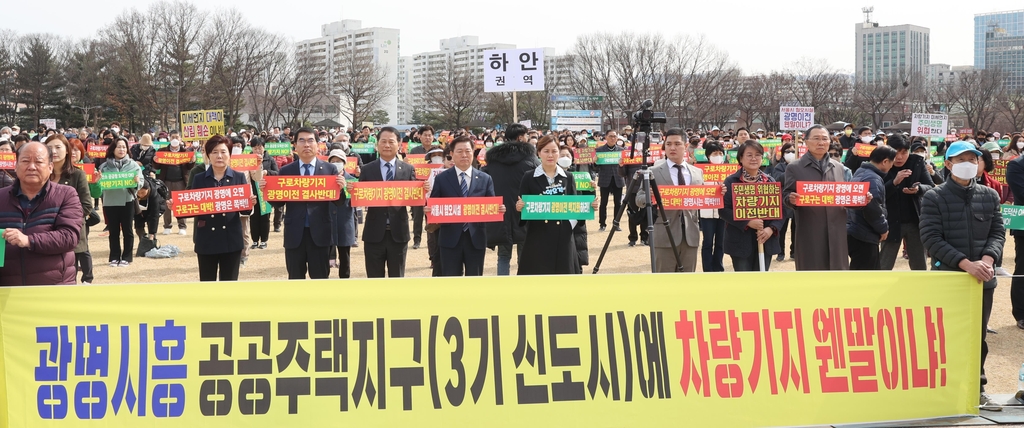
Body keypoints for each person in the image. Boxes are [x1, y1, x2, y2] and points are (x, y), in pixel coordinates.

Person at [919, 141, 1005, 412]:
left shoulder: (989, 195)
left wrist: (988, 259)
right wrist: (966, 264)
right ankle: (943, 392)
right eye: (961, 159)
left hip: (983, 281)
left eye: (973, 159)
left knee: (977, 337)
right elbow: (931, 239)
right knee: (944, 337)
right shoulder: (934, 197)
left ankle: (977, 389)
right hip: (949, 278)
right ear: (948, 164)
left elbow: (997, 233)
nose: (969, 164)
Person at [0, 142, 83, 285]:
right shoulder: (1, 197)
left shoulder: (66, 194)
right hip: (8, 290)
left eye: (38, 161)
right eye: (25, 161)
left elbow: (69, 237)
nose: (31, 167)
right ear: (16, 166)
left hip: (54, 288)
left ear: (50, 167)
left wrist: (29, 240)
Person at [176, 136, 256, 281]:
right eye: (214, 152)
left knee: (229, 286)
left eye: (223, 152)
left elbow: (244, 211)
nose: (219, 156)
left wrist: (249, 204)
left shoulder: (238, 177)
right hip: (207, 239)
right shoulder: (199, 178)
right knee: (207, 285)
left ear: (230, 154)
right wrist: (177, 206)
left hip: (231, 239)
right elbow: (193, 207)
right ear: (208, 155)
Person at [272, 127, 348, 280]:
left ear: (318, 145)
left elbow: (339, 202)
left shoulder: (329, 169)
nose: (306, 145)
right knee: (295, 278)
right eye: (302, 141)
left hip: (320, 234)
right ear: (295, 145)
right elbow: (278, 202)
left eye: (310, 140)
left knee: (320, 279)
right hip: (295, 234)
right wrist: (268, 190)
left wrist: (341, 188)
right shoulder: (286, 171)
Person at [515, 136, 598, 275]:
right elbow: (522, 214)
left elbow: (576, 206)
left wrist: (588, 207)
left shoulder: (568, 177)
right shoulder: (529, 177)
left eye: (554, 151)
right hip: (537, 237)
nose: (550, 155)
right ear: (539, 153)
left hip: (564, 238)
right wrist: (519, 207)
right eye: (546, 151)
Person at [351, 127, 426, 278]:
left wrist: (423, 191)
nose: (387, 145)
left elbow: (414, 200)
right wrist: (351, 190)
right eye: (383, 141)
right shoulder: (367, 170)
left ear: (399, 144)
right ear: (376, 144)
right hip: (374, 233)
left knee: (397, 278)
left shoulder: (408, 169)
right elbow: (359, 197)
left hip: (398, 233)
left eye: (391, 142)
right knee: (374, 278)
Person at [429, 136, 504, 276]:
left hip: (475, 238)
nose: (464, 155)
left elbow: (490, 205)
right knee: (451, 281)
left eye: (468, 151)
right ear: (451, 154)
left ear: (473, 152)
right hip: (449, 239)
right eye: (459, 151)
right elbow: (434, 205)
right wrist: (429, 209)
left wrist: (498, 209)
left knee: (474, 282)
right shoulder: (441, 178)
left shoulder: (485, 178)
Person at [784, 125, 851, 271]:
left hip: (837, 230)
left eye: (824, 139)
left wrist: (861, 199)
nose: (821, 142)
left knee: (837, 273)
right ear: (806, 142)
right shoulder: (795, 168)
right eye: (816, 138)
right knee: (811, 271)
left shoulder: (839, 167)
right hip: (810, 228)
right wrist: (791, 199)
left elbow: (845, 196)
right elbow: (786, 195)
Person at [637, 128, 703, 272]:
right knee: (663, 282)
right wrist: (652, 197)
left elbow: (703, 198)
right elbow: (639, 199)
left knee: (687, 282)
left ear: (685, 146)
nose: (672, 148)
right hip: (663, 234)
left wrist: (718, 193)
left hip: (690, 235)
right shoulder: (653, 172)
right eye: (668, 144)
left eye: (677, 144)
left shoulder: (697, 172)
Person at [482, 123, 537, 275]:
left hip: (501, 212)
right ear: (520, 137)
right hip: (525, 212)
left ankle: (502, 287)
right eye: (526, 135)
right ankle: (524, 286)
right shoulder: (531, 160)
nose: (528, 138)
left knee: (503, 256)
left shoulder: (493, 161)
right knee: (524, 255)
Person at [721, 140, 784, 271]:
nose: (754, 158)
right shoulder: (731, 181)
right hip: (740, 240)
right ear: (741, 158)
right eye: (749, 155)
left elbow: (780, 210)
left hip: (765, 239)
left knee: (761, 281)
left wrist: (771, 229)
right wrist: (747, 222)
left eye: (758, 155)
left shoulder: (770, 181)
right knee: (745, 282)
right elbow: (724, 210)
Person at [879, 136, 934, 271]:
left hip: (915, 220)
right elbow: (877, 193)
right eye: (896, 152)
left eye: (904, 152)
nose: (899, 157)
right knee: (884, 264)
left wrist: (918, 189)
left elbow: (931, 186)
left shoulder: (917, 162)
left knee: (919, 265)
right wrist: (894, 182)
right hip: (891, 221)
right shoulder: (882, 163)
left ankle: (919, 290)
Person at [44, 135, 94, 284]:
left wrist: (63, 220)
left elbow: (86, 206)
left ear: (67, 150)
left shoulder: (77, 175)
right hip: (44, 232)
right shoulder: (41, 175)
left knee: (68, 276)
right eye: (50, 147)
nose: (54, 151)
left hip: (70, 231)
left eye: (58, 147)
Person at [847, 145, 896, 270]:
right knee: (866, 275)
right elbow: (872, 208)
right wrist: (883, 229)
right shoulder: (873, 178)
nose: (892, 166)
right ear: (885, 161)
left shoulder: (860, 172)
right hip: (864, 233)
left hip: (854, 229)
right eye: (892, 162)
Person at [98, 138, 144, 267]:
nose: (121, 149)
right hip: (110, 202)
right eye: (119, 147)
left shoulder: (133, 165)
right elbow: (99, 184)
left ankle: (127, 257)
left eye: (124, 147)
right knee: (113, 231)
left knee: (127, 230)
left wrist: (137, 181)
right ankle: (114, 256)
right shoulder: (104, 167)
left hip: (127, 201)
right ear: (113, 149)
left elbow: (141, 182)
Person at [327, 149, 357, 278]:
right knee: (324, 255)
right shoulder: (323, 179)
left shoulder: (352, 180)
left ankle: (345, 280)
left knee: (345, 256)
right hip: (327, 221)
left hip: (344, 221)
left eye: (338, 161)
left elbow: (357, 201)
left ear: (344, 163)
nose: (335, 164)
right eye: (332, 161)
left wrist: (347, 190)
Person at [697, 141, 726, 271]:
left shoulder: (728, 171)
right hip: (707, 212)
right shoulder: (700, 171)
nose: (718, 156)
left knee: (721, 242)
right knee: (708, 242)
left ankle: (718, 267)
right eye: (715, 153)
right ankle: (708, 269)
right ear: (708, 156)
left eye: (720, 153)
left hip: (723, 213)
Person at [156, 136, 193, 235]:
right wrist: (155, 160)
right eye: (173, 137)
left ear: (180, 139)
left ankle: (182, 226)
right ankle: (167, 226)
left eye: (177, 137)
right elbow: (156, 166)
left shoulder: (185, 152)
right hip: (166, 181)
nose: (175, 139)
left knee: (180, 204)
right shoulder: (162, 151)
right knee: (167, 204)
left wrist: (192, 161)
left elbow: (189, 167)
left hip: (180, 181)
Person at [1005, 152, 1024, 330]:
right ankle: (1021, 313)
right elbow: (1022, 193)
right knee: (1022, 270)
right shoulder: (1016, 165)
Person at [248, 138, 277, 249]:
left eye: (259, 147)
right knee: (253, 217)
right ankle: (255, 240)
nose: (257, 150)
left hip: (265, 192)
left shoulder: (270, 159)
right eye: (255, 147)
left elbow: (277, 173)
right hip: (252, 192)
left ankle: (264, 240)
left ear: (264, 147)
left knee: (265, 217)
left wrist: (267, 172)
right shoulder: (247, 159)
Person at [409, 126, 434, 249]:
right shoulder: (414, 151)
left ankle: (432, 240)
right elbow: (411, 171)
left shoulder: (438, 151)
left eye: (430, 135)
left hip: (434, 188)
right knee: (417, 215)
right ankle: (417, 240)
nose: (428, 137)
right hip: (418, 188)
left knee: (432, 216)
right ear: (420, 136)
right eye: (425, 135)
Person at [595, 130, 625, 232]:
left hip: (618, 178)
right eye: (611, 136)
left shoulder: (621, 150)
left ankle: (616, 224)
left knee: (618, 202)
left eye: (615, 137)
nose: (613, 138)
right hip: (605, 178)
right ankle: (602, 224)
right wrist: (594, 162)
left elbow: (625, 166)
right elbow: (595, 168)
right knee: (604, 202)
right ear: (606, 137)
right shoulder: (599, 150)